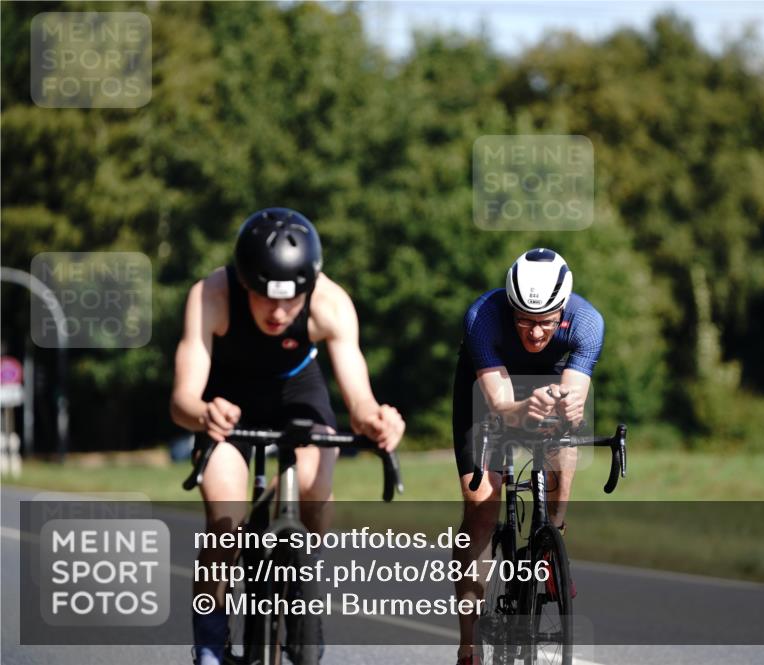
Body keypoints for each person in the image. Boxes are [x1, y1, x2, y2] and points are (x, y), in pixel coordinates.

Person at [170, 207, 405, 665]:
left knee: (315, 485)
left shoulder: (331, 303)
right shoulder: (211, 295)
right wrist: (203, 413)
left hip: (298, 391)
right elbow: (181, 401)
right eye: (265, 298)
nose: (278, 313)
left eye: (291, 300)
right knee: (225, 522)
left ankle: (301, 589)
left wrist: (377, 419)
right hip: (227, 401)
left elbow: (359, 400)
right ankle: (210, 646)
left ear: (309, 286)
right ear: (244, 282)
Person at [451, 248, 604, 665]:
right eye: (524, 320)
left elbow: (574, 396)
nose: (535, 334)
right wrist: (523, 408)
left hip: (548, 382)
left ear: (563, 312)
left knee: (563, 448)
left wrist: (569, 410)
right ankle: (468, 644)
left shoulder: (587, 323)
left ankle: (552, 540)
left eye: (546, 323)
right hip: (486, 392)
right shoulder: (483, 317)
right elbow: (500, 405)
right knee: (481, 507)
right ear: (510, 307)